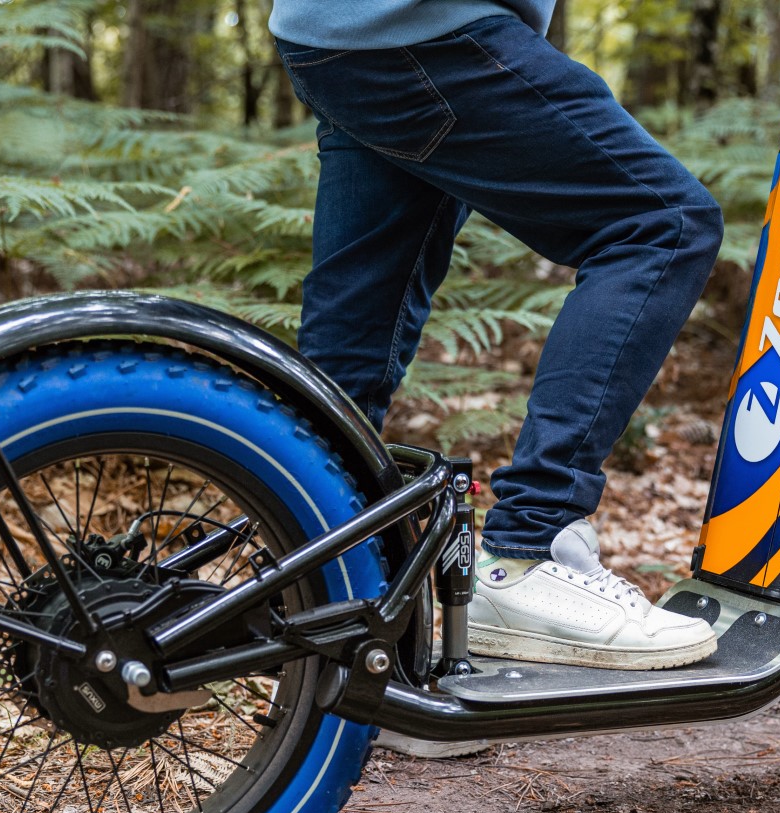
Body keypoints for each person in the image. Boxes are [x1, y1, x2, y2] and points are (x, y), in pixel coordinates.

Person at [272, 0, 724, 676]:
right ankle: (532, 546)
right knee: (662, 225)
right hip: (428, 29)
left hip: (333, 32)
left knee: (353, 342)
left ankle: (337, 645)